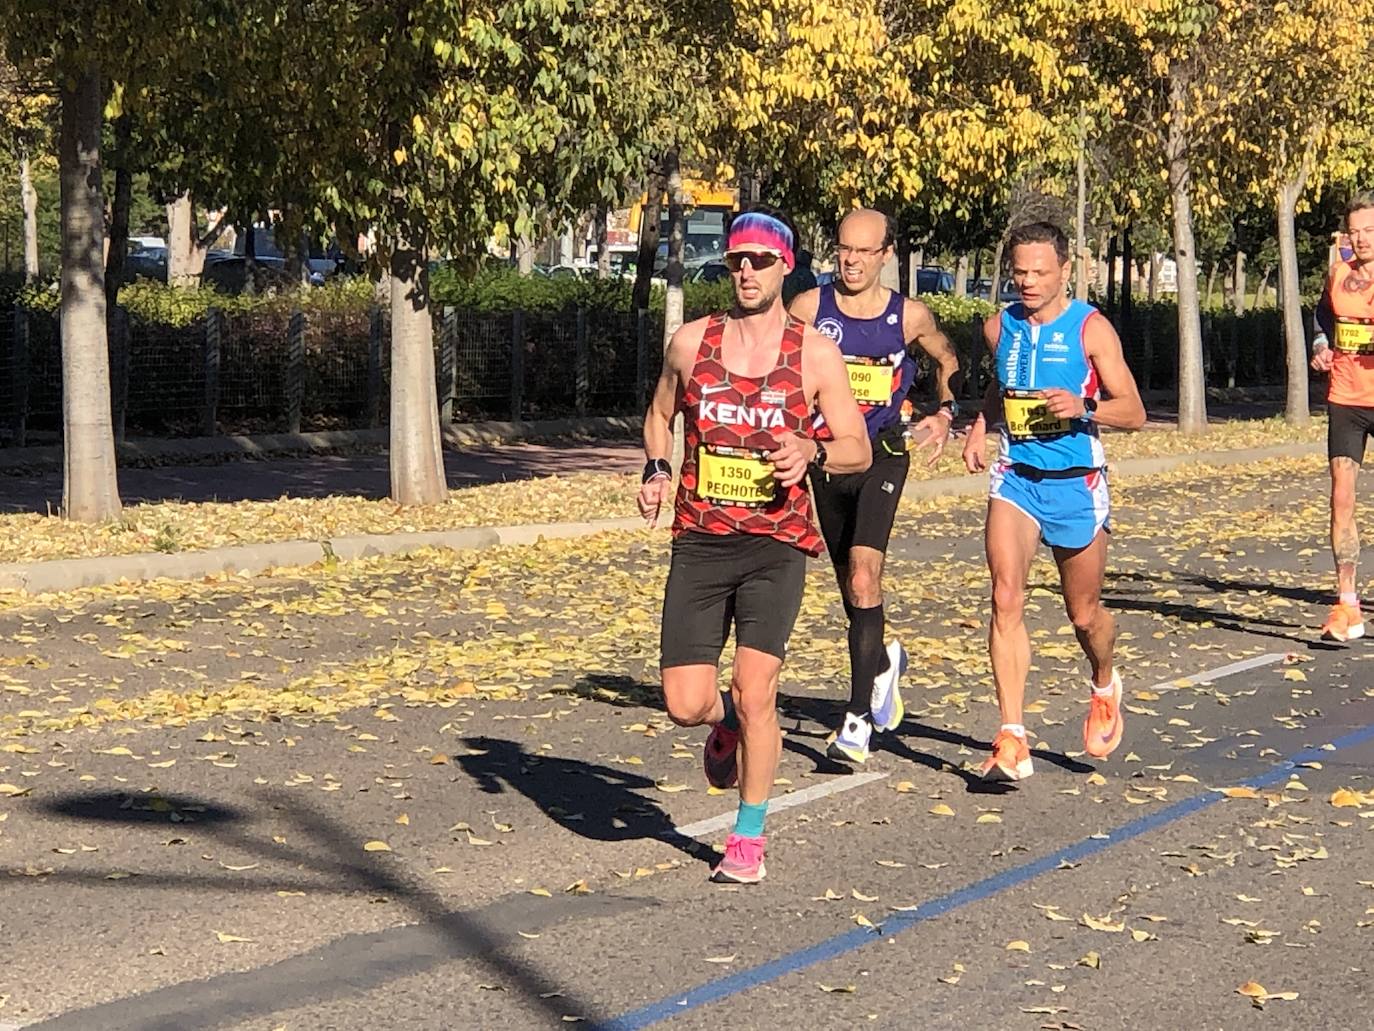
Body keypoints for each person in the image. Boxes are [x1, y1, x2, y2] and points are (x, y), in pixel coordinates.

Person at [638, 206, 871, 883]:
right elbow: (658, 416)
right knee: (685, 701)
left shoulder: (814, 352)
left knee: (757, 683)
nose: (745, 270)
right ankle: (728, 721)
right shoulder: (692, 342)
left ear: (785, 266)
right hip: (703, 541)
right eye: (736, 259)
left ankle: (747, 836)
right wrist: (656, 470)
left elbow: (856, 446)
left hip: (777, 542)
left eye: (759, 261)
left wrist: (814, 448)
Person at [961, 221, 1145, 782]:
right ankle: (1013, 736)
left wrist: (1083, 406)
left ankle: (1104, 679)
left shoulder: (1091, 329)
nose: (1029, 282)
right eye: (1020, 272)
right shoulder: (1001, 326)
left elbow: (1134, 411)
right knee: (1005, 593)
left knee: (1084, 616)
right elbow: (1001, 385)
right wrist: (979, 423)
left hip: (1075, 484)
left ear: (1066, 270)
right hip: (1016, 477)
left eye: (1041, 272)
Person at [789, 209, 960, 763]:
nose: (851, 260)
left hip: (883, 455)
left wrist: (946, 410)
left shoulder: (909, 316)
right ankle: (883, 663)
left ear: (887, 254)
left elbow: (948, 358)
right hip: (827, 457)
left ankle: (857, 720)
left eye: (864, 251)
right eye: (843, 249)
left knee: (866, 573)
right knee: (849, 584)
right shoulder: (811, 309)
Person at [1310, 194, 1374, 642]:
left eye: (1369, 230)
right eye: (1354, 231)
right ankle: (1347, 605)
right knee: (1341, 498)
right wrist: (1320, 346)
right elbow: (1321, 317)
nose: (1360, 238)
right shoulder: (1339, 276)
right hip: (1347, 399)